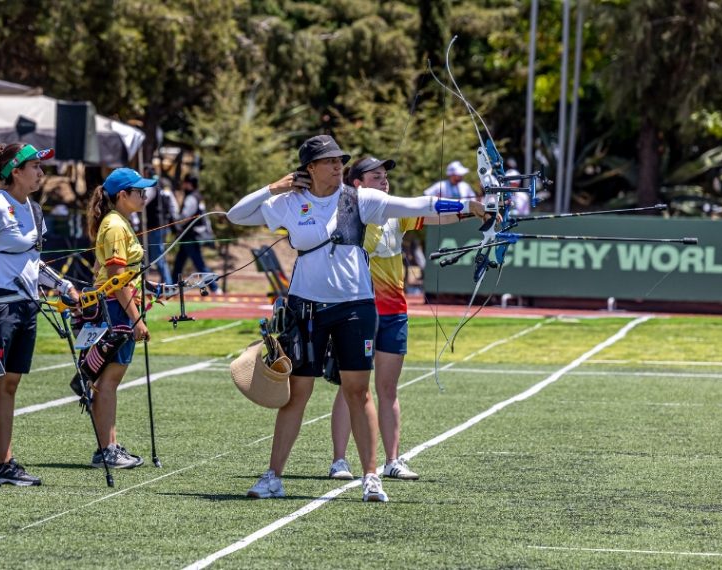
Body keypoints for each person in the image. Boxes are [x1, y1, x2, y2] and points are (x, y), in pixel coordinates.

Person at [226, 135, 485, 502]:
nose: (337, 166)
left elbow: (415, 204)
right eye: (329, 161)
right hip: (306, 308)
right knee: (296, 394)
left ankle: (370, 477)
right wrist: (272, 187)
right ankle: (273, 477)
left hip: (354, 307)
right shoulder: (289, 202)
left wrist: (468, 206)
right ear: (309, 169)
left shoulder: (361, 199)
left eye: (339, 160)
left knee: (357, 391)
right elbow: (236, 215)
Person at [328, 156, 487, 482]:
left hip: (394, 311)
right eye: (376, 176)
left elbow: (432, 217)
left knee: (388, 388)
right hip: (359, 310)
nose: (384, 181)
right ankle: (339, 461)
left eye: (385, 176)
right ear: (358, 184)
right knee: (351, 387)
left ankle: (392, 460)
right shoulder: (348, 216)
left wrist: (472, 211)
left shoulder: (396, 215)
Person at [0, 142, 77, 487]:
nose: (41, 172)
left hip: (26, 308)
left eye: (41, 166)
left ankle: (4, 463)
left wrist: (64, 287)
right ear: (15, 172)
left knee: (10, 383)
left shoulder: (34, 210)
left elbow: (34, 264)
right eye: (35, 166)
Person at [84, 167, 157, 468]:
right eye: (139, 191)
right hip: (115, 308)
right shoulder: (115, 225)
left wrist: (149, 287)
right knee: (108, 381)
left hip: (118, 305)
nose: (144, 196)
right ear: (122, 195)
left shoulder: (119, 222)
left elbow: (127, 273)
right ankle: (106, 449)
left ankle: (109, 445)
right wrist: (136, 318)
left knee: (108, 381)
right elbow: (117, 276)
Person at [172, 174, 218, 291]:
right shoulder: (198, 196)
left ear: (189, 184)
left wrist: (175, 220)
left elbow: (184, 216)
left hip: (191, 236)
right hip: (189, 236)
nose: (183, 185)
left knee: (199, 264)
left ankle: (215, 288)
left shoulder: (192, 197)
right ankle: (172, 287)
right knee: (179, 263)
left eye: (184, 182)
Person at [143, 172, 179, 285]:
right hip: (161, 226)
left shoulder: (152, 188)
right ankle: (164, 282)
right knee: (152, 255)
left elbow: (143, 202)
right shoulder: (164, 189)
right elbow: (174, 206)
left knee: (158, 256)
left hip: (155, 227)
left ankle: (168, 284)